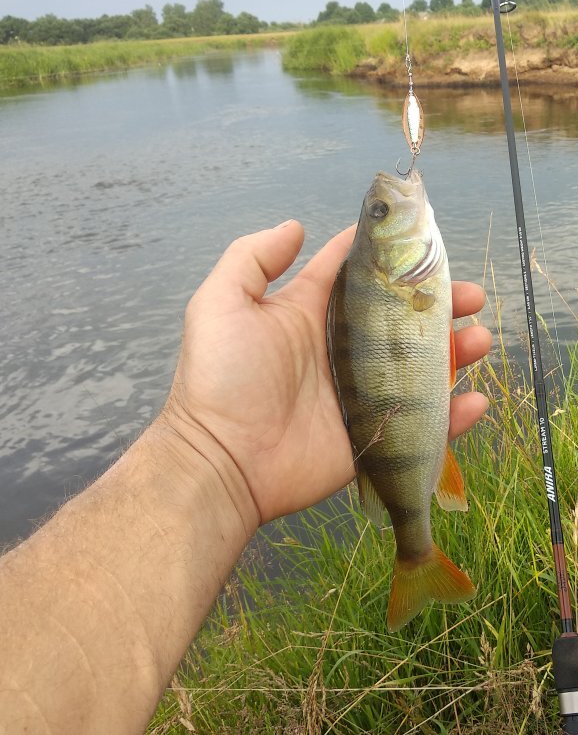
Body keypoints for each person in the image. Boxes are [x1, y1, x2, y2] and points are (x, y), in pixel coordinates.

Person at [0, 219, 492, 734]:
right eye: (381, 215)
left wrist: (209, 451)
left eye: (379, 214)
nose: (386, 209)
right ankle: (418, 555)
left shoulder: (386, 279)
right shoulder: (384, 278)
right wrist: (211, 443)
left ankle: (419, 549)